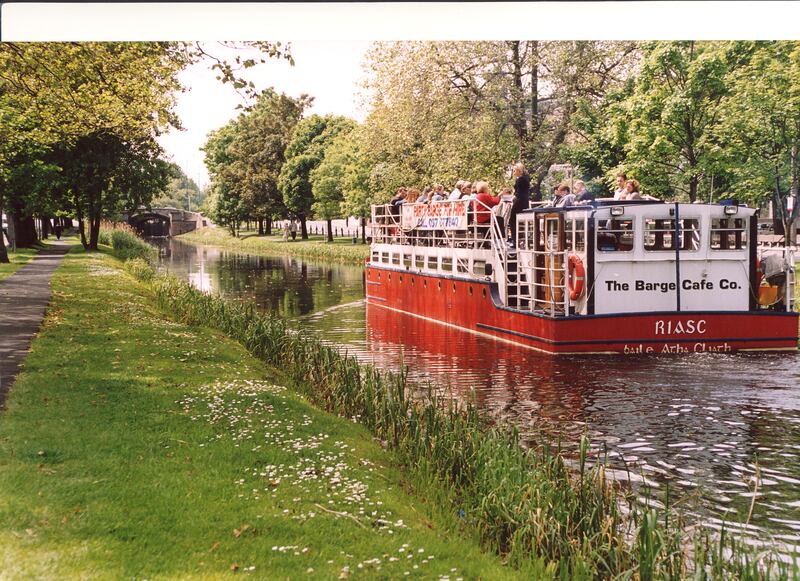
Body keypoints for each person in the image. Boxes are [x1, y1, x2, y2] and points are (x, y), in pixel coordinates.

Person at [509, 162, 530, 247]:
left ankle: (515, 241)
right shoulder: (526, 178)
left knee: (512, 221)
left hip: (519, 201)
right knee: (521, 222)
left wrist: (514, 197)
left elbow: (519, 192)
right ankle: (521, 240)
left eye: (514, 170)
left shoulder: (520, 179)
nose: (513, 172)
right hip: (524, 201)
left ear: (519, 170)